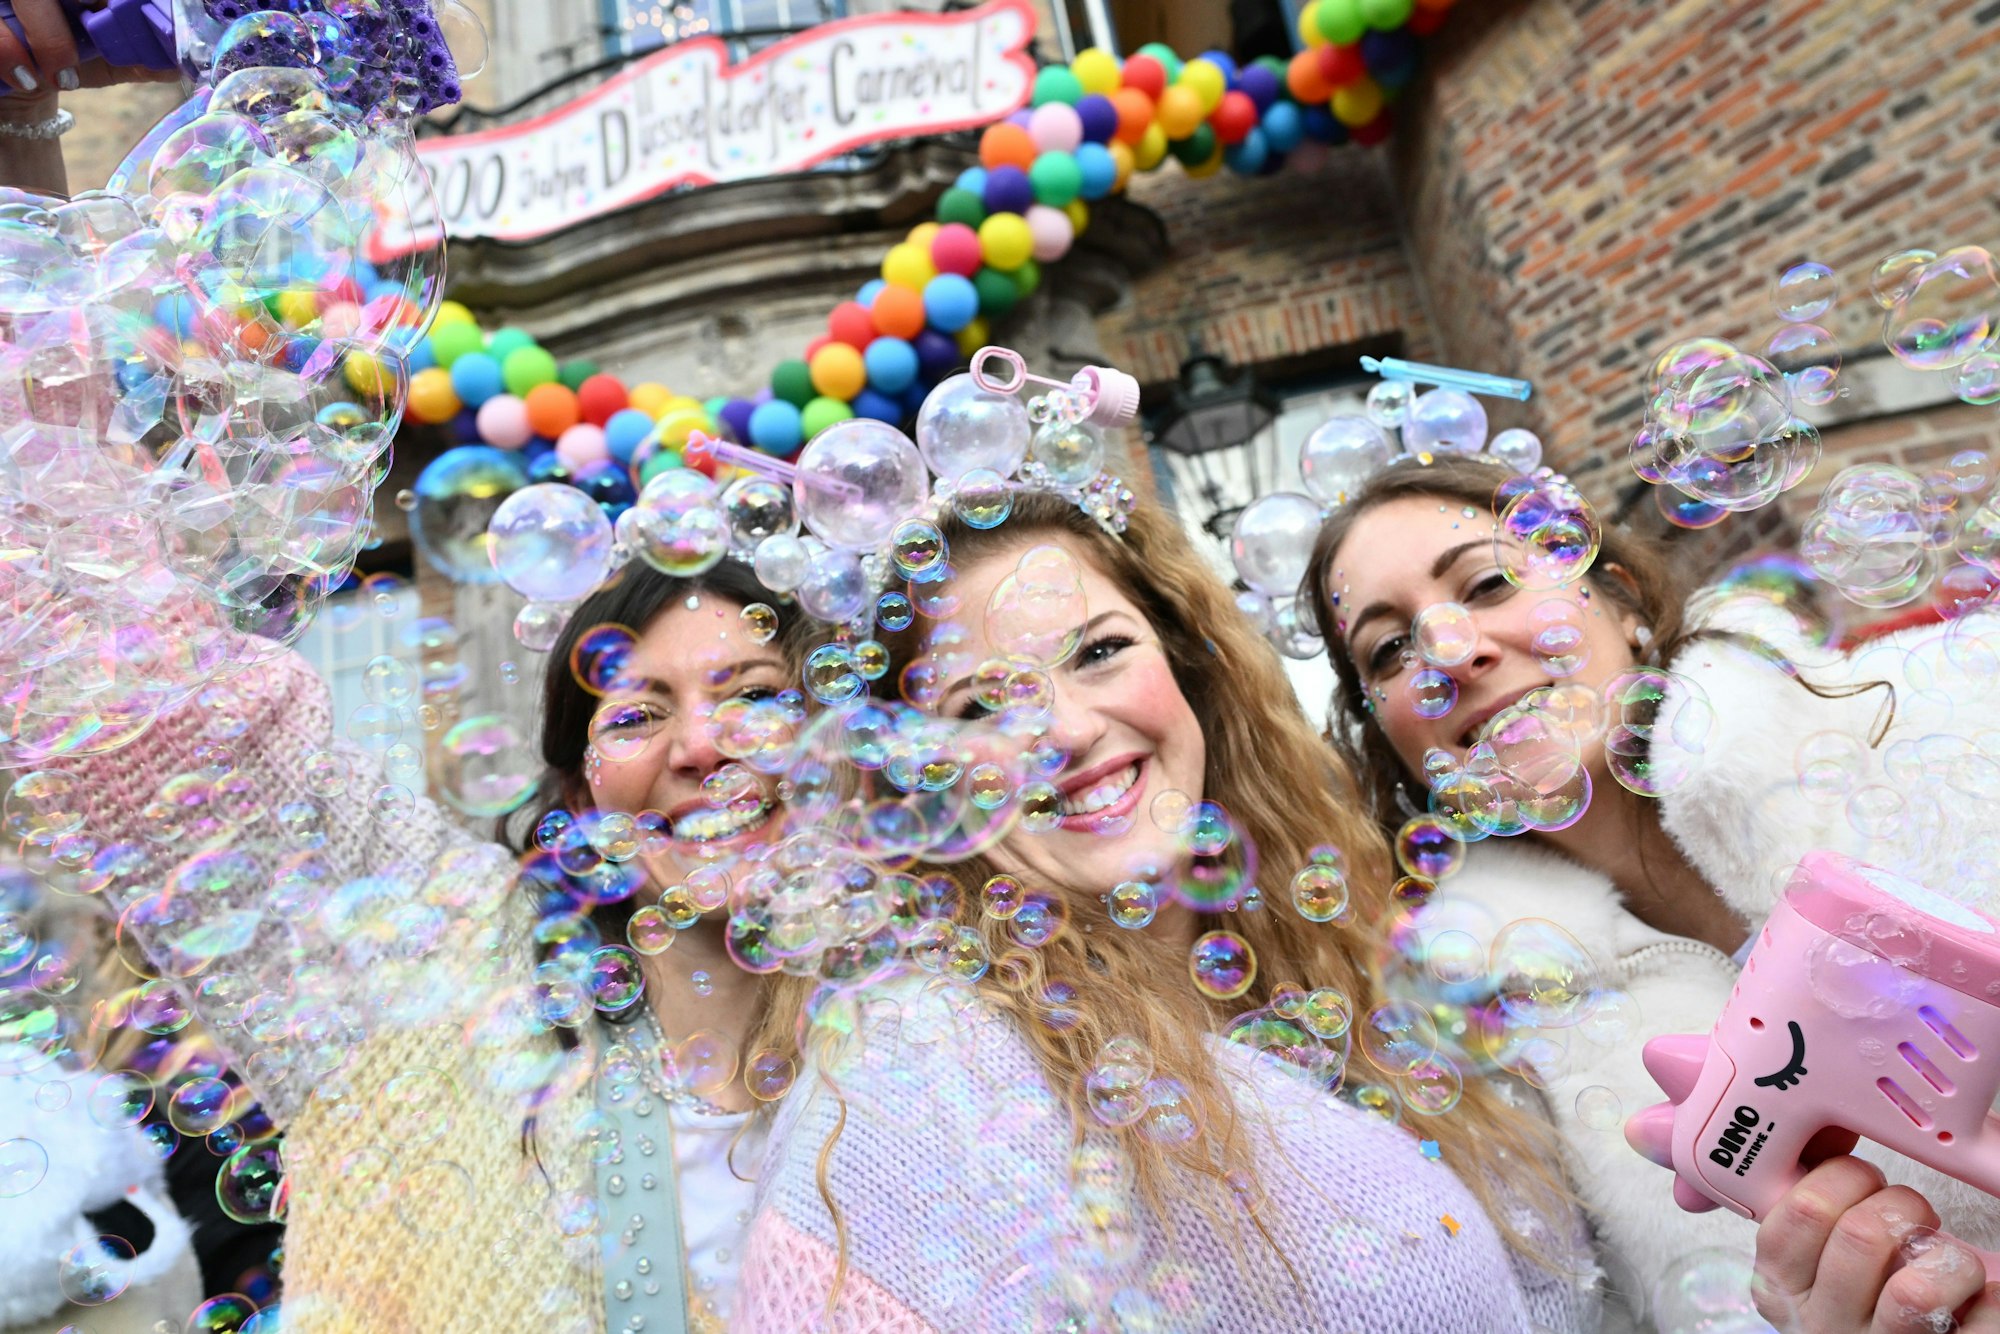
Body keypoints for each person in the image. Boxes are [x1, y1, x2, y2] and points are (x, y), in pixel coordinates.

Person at [734, 489, 1607, 1332]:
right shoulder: (917, 1078)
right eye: (984, 707)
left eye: (1097, 652)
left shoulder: (1358, 958)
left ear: (1189, 664)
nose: (1068, 730)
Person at [1302, 450, 2000, 1330]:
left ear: (1624, 601)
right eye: (1390, 648)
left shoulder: (1959, 714)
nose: (1452, 652)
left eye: (1485, 584)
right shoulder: (1498, 1061)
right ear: (1394, 740)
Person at [59, 558, 817, 1332]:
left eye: (754, 695)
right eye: (636, 716)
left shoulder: (919, 1029)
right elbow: (175, 743)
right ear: (584, 798)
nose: (701, 746)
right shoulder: (447, 963)